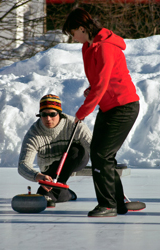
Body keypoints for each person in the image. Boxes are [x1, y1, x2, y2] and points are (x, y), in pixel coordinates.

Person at [63, 8, 140, 217]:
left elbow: (103, 84)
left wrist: (82, 112)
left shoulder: (106, 47)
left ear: (81, 28)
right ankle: (116, 202)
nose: (73, 38)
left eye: (73, 33)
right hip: (109, 106)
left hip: (123, 106)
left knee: (101, 154)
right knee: (102, 155)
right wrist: (92, 88)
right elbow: (99, 81)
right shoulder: (88, 47)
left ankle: (108, 205)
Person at [18, 94, 92, 207]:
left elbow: (93, 148)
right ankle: (65, 193)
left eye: (52, 114)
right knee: (49, 196)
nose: (48, 118)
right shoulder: (34, 133)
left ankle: (53, 190)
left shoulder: (75, 125)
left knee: (77, 150)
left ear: (59, 113)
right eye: (44, 114)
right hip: (50, 172)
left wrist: (105, 166)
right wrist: (38, 176)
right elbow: (23, 165)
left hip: (74, 160)